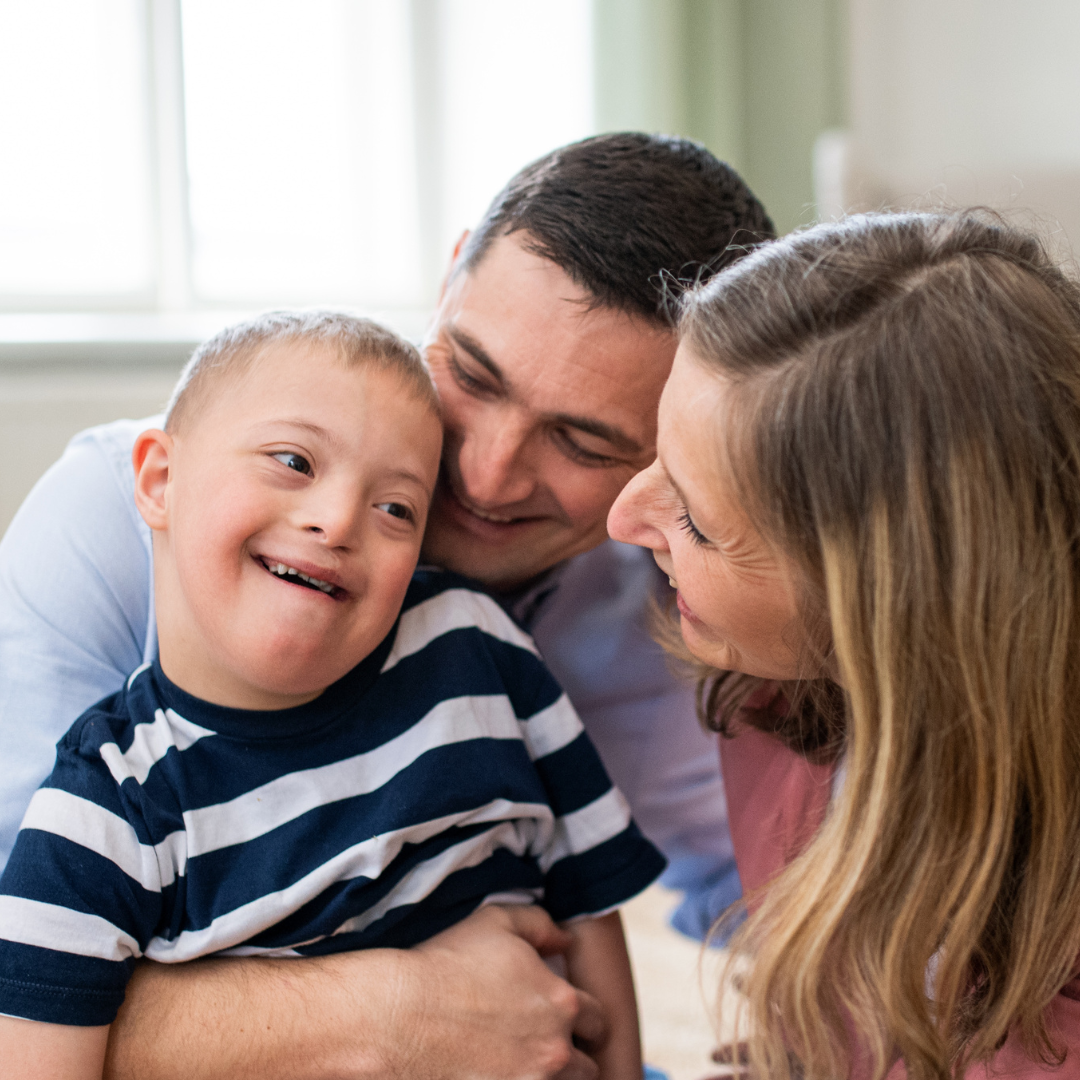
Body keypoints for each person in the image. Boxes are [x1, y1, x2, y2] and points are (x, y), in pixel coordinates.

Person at [0, 133, 774, 1078]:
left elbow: (795, 890)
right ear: (450, 277)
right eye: (476, 376)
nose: (482, 475)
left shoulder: (669, 608)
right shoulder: (131, 522)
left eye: (580, 441)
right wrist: (389, 1012)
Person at [0, 311, 662, 1080]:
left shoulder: (475, 647)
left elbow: (592, 897)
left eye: (396, 509)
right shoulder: (103, 811)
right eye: (292, 460)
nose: (339, 520)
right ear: (159, 481)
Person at [608, 210, 1080, 1080]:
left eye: (697, 522)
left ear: (883, 606)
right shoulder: (766, 693)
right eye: (657, 457)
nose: (623, 518)